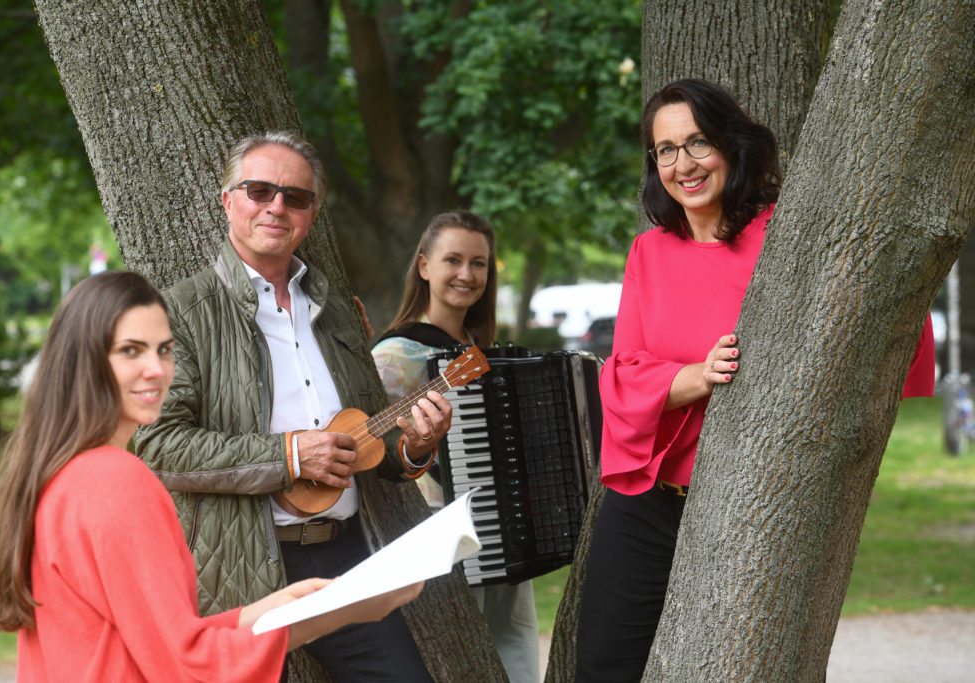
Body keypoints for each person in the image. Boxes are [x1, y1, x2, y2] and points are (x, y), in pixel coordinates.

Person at [573, 79, 935, 681]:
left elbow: (880, 321)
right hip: (648, 500)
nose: (682, 164)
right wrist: (695, 377)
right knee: (603, 667)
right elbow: (623, 376)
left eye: (697, 143)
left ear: (731, 146)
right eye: (665, 150)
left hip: (748, 503)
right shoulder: (649, 252)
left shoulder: (785, 240)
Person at [0, 271, 422, 683]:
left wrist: (270, 610)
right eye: (131, 350)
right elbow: (186, 666)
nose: (157, 369)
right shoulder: (116, 482)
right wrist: (339, 611)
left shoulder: (66, 474)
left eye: (164, 349)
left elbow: (153, 638)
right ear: (84, 360)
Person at [134, 132, 451, 682]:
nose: (276, 206)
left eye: (296, 196)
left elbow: (371, 439)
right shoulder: (180, 311)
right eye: (259, 191)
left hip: (345, 554)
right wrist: (289, 456)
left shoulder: (336, 311)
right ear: (228, 199)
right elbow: (160, 446)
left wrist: (416, 447)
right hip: (236, 565)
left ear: (312, 212)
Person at [371, 210, 541, 683]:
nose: (467, 274)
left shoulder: (478, 348)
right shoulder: (393, 355)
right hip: (438, 529)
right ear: (424, 266)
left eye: (479, 263)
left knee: (515, 641)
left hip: (500, 520)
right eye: (453, 260)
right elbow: (374, 449)